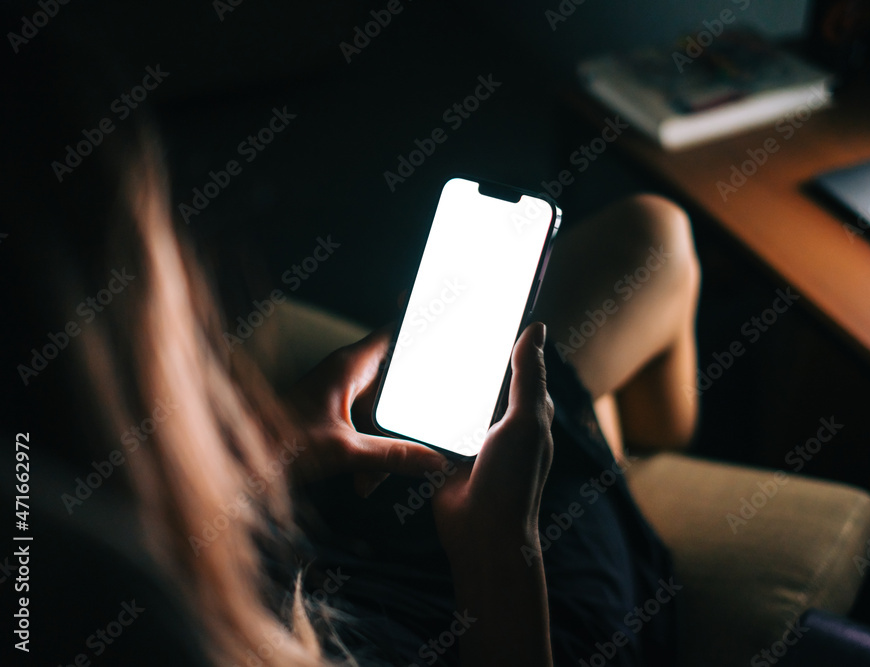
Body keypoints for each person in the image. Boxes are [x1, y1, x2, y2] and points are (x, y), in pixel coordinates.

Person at [1, 18, 700, 667]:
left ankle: (620, 445)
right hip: (510, 609)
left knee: (649, 242)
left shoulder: (58, 529)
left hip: (350, 560)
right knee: (654, 244)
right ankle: (644, 450)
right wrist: (502, 554)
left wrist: (269, 448)